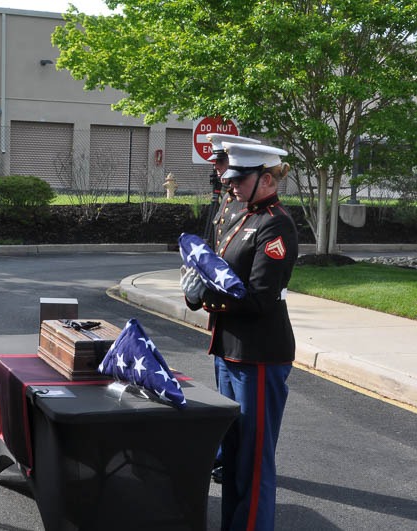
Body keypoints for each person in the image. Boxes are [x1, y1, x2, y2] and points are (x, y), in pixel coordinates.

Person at [182, 142, 297, 531]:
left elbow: (260, 298)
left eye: (239, 179)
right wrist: (194, 290)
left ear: (266, 180)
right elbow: (216, 267)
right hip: (229, 349)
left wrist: (207, 296)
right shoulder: (237, 213)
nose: (230, 184)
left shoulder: (275, 224)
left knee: (253, 459)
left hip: (259, 354)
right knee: (232, 454)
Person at [204, 132, 262, 483]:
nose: (219, 169)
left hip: (241, 317)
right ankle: (225, 455)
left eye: (223, 162)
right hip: (224, 320)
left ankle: (235, 461)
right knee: (224, 397)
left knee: (246, 414)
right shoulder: (228, 199)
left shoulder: (252, 208)